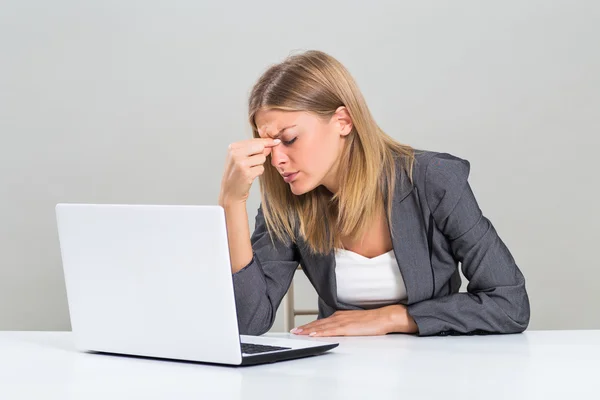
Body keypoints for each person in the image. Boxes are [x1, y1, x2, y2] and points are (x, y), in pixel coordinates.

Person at [219, 50, 530, 337]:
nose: (277, 161)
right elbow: (248, 323)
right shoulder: (288, 205)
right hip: (337, 373)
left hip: (435, 369)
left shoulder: (433, 180)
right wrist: (232, 204)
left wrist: (393, 318)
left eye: (289, 139)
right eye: (269, 145)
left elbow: (510, 304)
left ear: (343, 121)